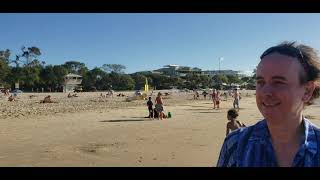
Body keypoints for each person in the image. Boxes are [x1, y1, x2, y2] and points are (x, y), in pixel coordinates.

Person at [217, 41, 320, 167]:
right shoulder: (235, 145)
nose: (265, 92)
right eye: (260, 82)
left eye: (278, 82)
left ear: (307, 91)